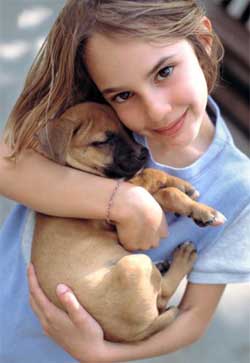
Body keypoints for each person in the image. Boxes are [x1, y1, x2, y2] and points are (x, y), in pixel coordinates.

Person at [0, 0, 249, 362]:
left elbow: (193, 318)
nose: (156, 110)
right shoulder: (90, 116)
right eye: (123, 94)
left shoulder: (239, 190)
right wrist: (123, 201)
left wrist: (102, 354)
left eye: (164, 72)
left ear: (202, 41)